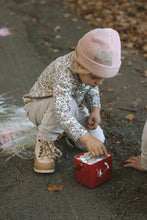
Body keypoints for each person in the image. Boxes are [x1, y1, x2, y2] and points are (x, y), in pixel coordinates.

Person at [23, 28, 121, 173]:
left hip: (69, 106)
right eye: (95, 77)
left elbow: (91, 87)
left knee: (97, 140)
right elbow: (61, 110)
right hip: (39, 107)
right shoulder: (64, 72)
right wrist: (86, 138)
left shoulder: (88, 72)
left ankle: (67, 131)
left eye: (102, 78)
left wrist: (95, 109)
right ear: (80, 65)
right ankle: (44, 140)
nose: (99, 82)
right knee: (71, 114)